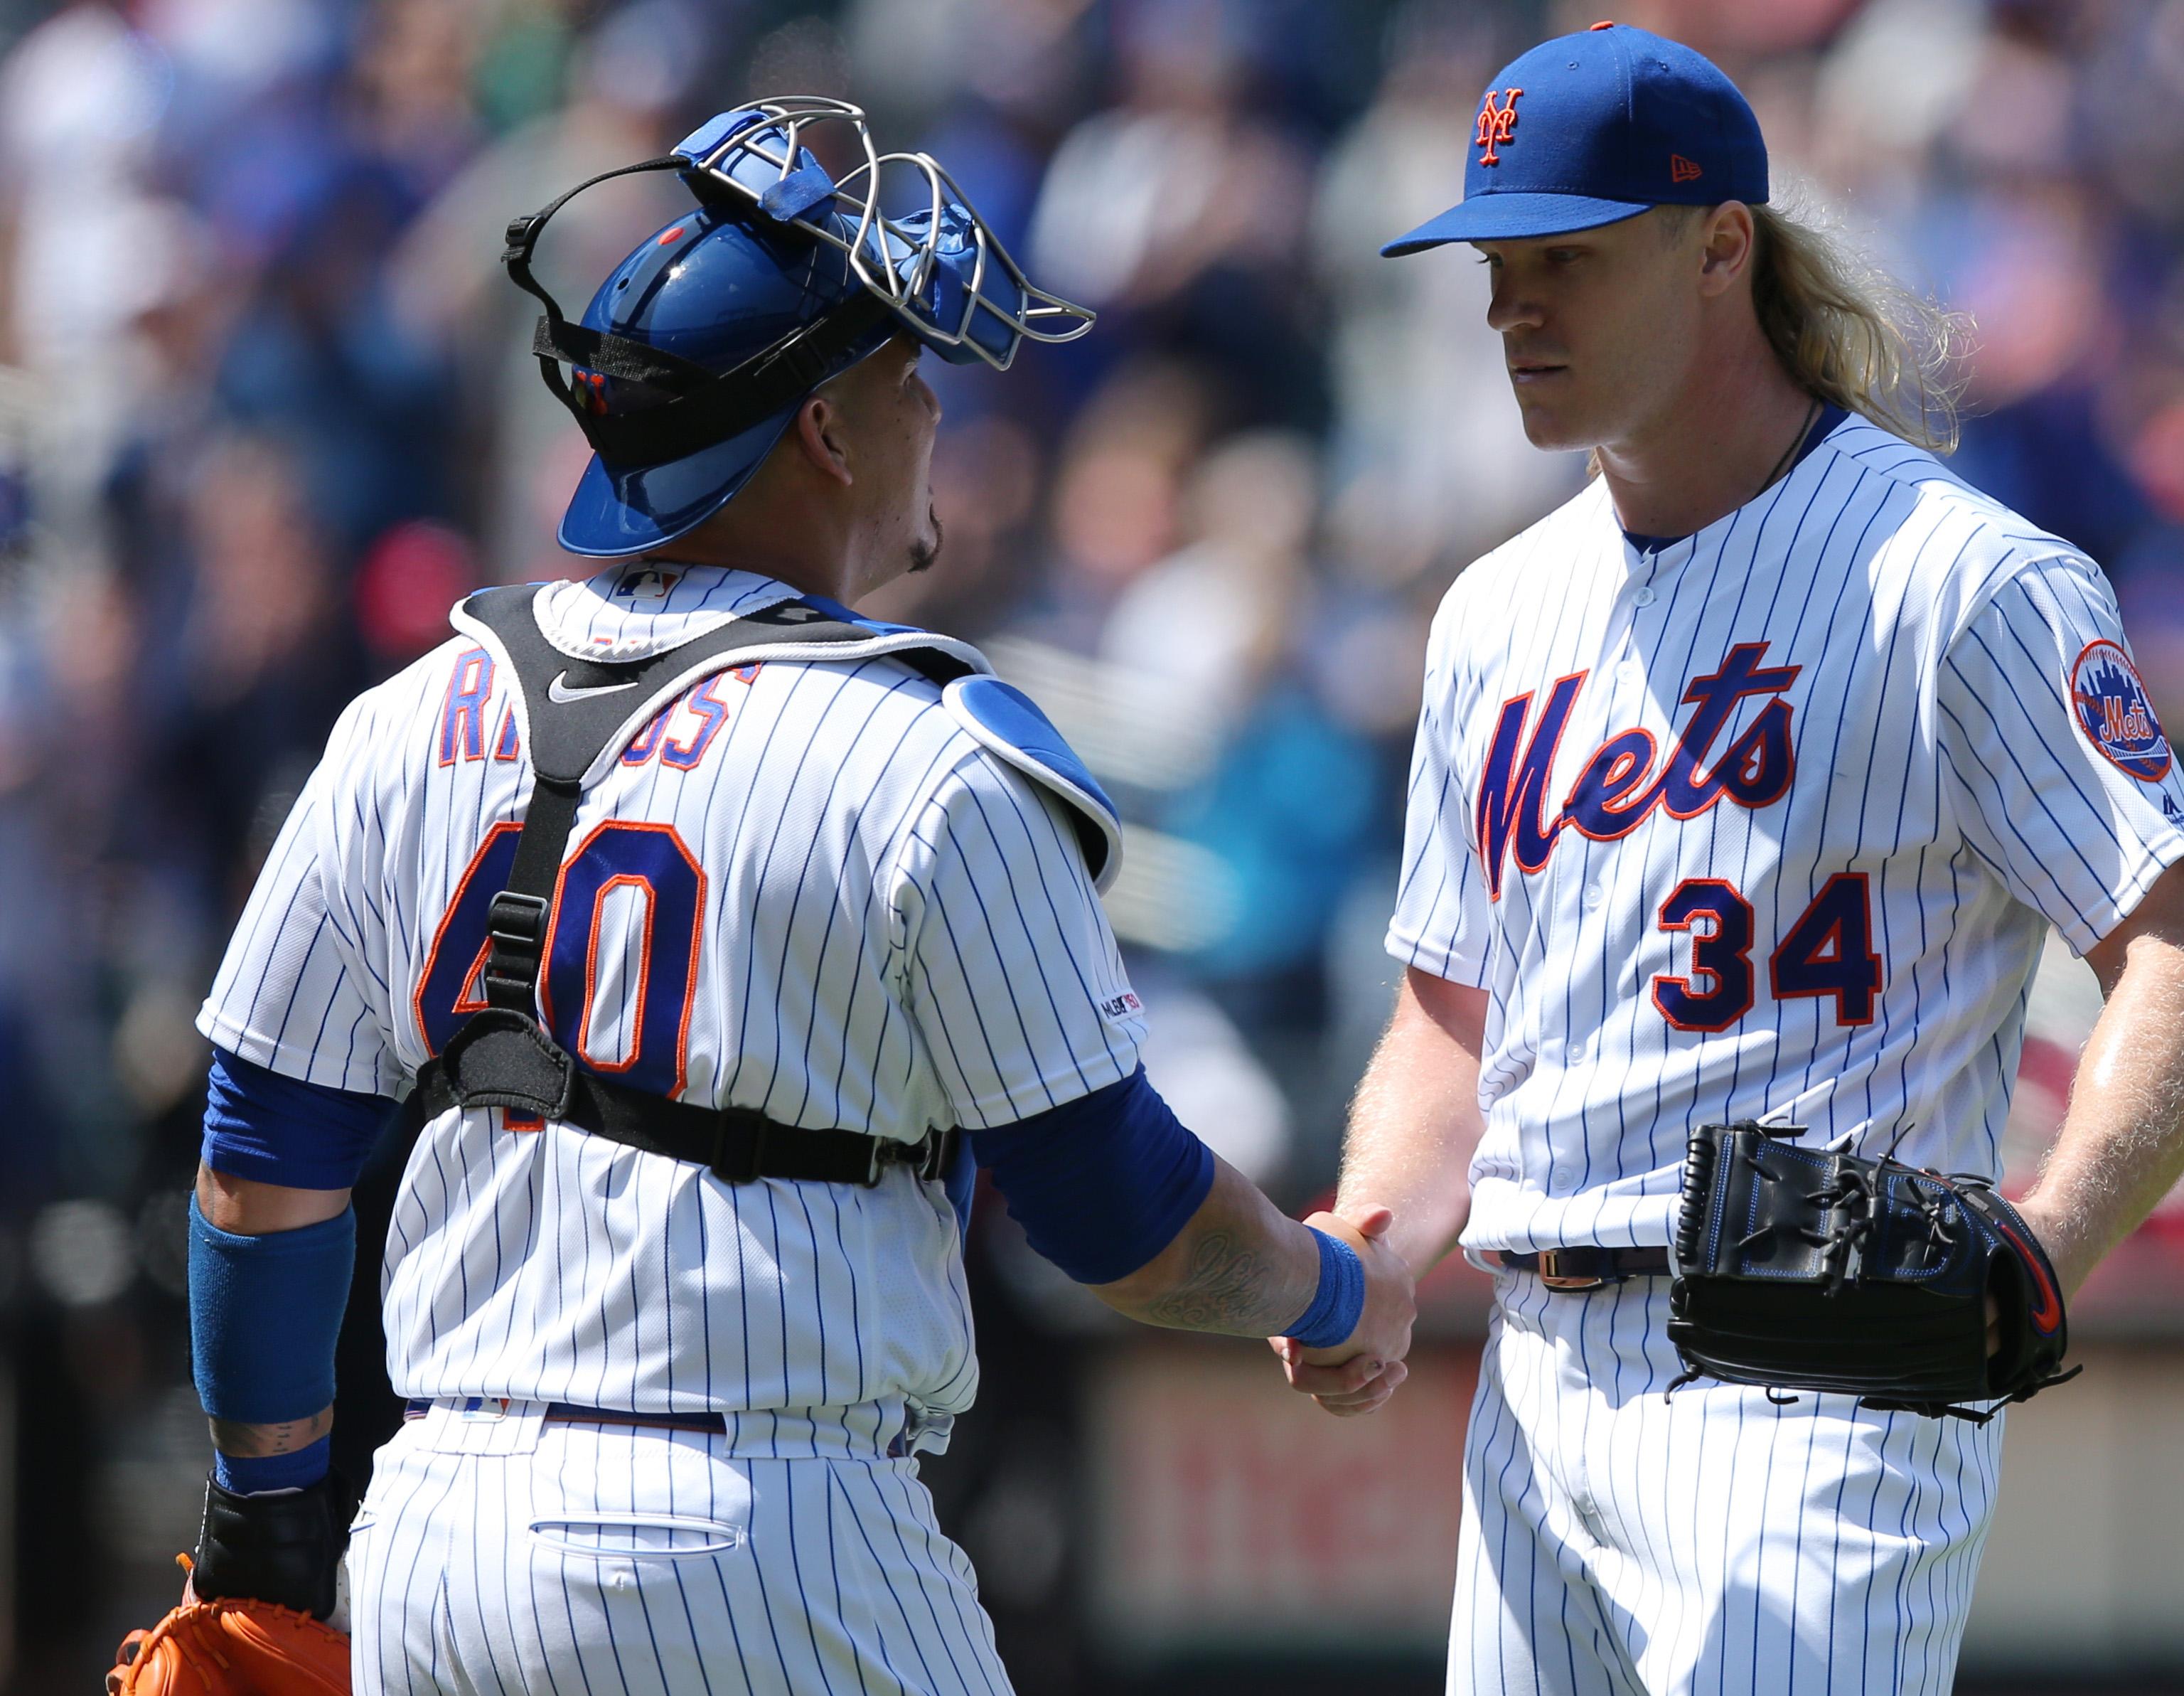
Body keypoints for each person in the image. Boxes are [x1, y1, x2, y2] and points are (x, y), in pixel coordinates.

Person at [175, 100, 1412, 1694]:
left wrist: (265, 1530)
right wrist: (1331, 1287)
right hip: (764, 1528)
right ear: (824, 430)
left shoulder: (407, 716)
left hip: (433, 1536)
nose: (930, 415)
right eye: (904, 379)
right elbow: (1120, 1217)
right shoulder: (925, 756)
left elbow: (260, 1169)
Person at [1273, 26, 2184, 1694]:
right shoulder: (1496, 612)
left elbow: (2177, 956)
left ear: (1722, 245)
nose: (1514, 308)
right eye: (1496, 266)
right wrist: (1379, 1234)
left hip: (1816, 1373)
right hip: (1532, 1373)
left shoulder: (1959, 579)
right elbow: (1453, 1017)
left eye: (1566, 259)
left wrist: (2049, 1241)